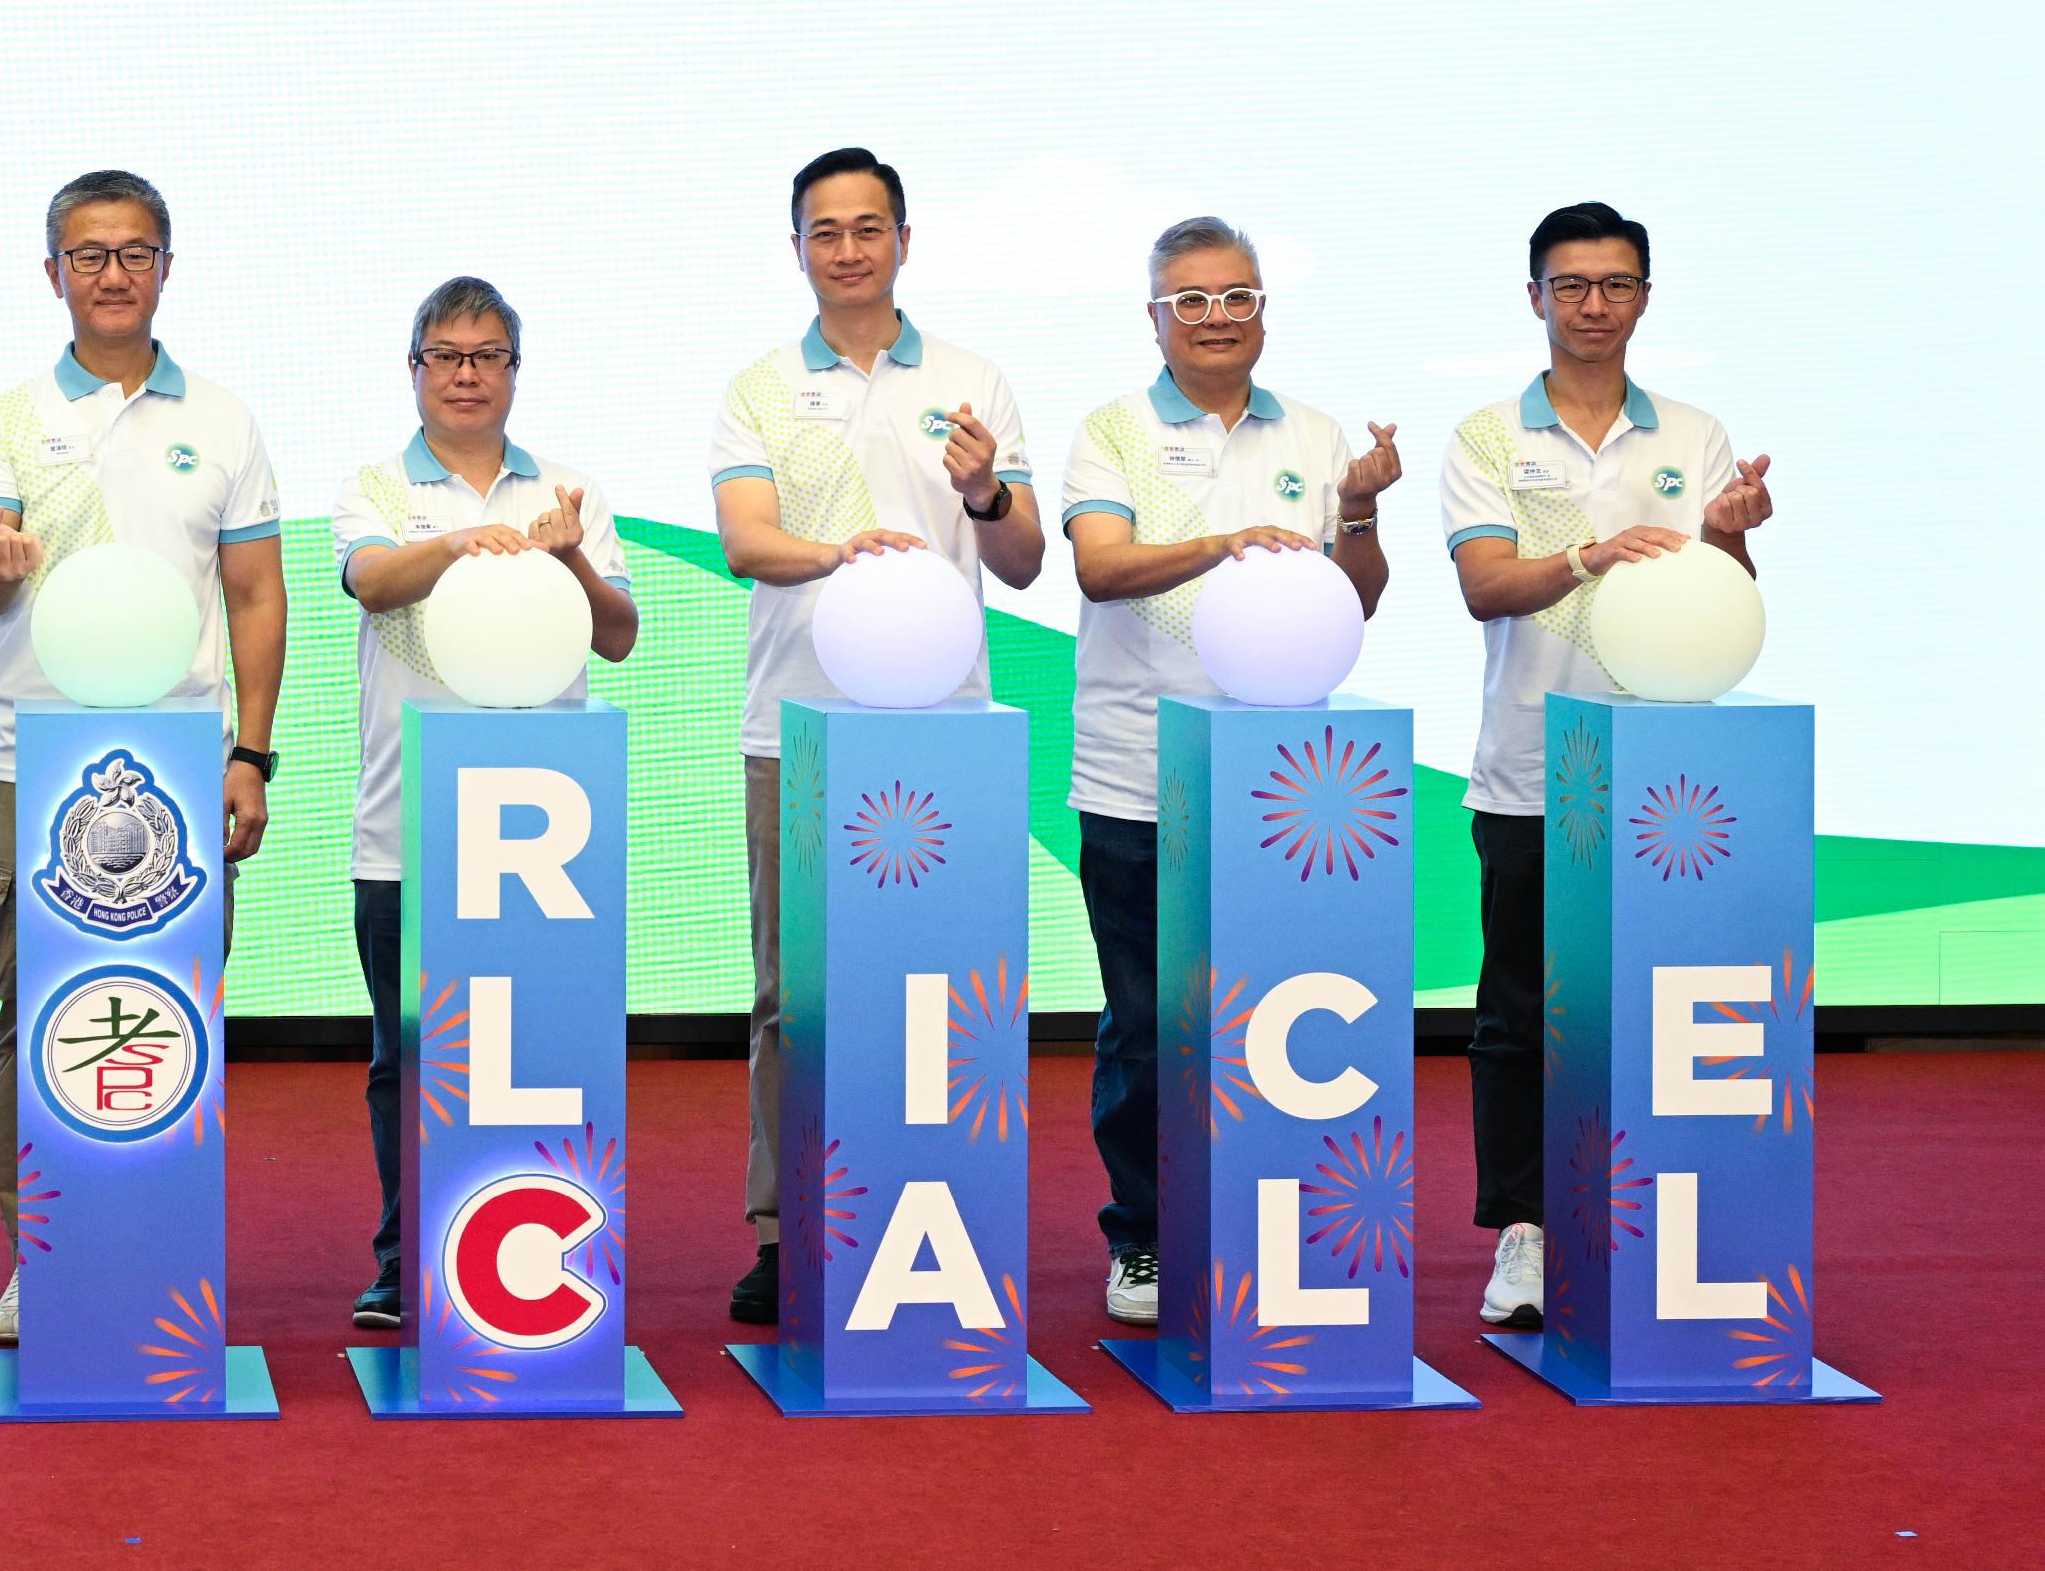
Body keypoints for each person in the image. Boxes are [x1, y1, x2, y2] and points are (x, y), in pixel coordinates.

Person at [705, 146, 1043, 1327]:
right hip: (794, 728)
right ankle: (783, 1225)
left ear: (905, 238)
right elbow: (746, 542)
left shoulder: (970, 379)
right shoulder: (757, 387)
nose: (848, 248)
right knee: (790, 996)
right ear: (795, 246)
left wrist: (987, 494)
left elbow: (1023, 560)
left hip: (944, 733)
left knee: (938, 986)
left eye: (868, 227)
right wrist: (846, 556)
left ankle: (930, 1207)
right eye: (825, 230)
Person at [0, 169, 282, 1345]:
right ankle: (36, 1259)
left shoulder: (224, 420)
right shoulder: (8, 420)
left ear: (166, 268)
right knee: (31, 1015)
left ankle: (158, 1248)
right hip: (29, 762)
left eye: (133, 252)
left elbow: (254, 593)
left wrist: (252, 750)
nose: (111, 274)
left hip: (182, 765)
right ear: (52, 274)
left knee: (172, 1010)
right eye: (87, 255)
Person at [1057, 217, 1400, 1325]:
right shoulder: (1110, 432)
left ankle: (1266, 1225)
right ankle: (1145, 1237)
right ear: (1153, 316)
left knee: (1278, 1013)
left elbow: (1357, 601)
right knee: (1147, 1018)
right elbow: (1101, 569)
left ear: (1263, 310)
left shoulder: (1312, 429)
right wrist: (1221, 542)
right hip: (1134, 771)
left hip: (1285, 786)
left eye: (1235, 297)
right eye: (1190, 300)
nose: (1214, 318)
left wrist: (1355, 509)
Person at [1440, 201, 1770, 1329]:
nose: (1592, 304)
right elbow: (1483, 586)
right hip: (1532, 771)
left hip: (1668, 785)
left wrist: (1730, 534)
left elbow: (1722, 602)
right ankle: (1524, 1235)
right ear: (1533, 296)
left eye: (1614, 284)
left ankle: (1657, 1224)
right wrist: (1587, 552)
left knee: (1659, 1005)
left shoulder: (1694, 434)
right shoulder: (1490, 436)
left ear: (1643, 296)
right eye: (1570, 284)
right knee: (1519, 1015)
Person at [329, 276, 638, 1329]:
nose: (466, 374)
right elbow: (372, 583)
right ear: (412, 368)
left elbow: (617, 635)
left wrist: (566, 559)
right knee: (406, 1052)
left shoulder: (566, 488)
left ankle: (537, 1255)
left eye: (488, 355)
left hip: (545, 830)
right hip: (405, 823)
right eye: (445, 355)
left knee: (541, 1052)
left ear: (515, 368)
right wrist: (462, 542)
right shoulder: (374, 486)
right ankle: (401, 1255)